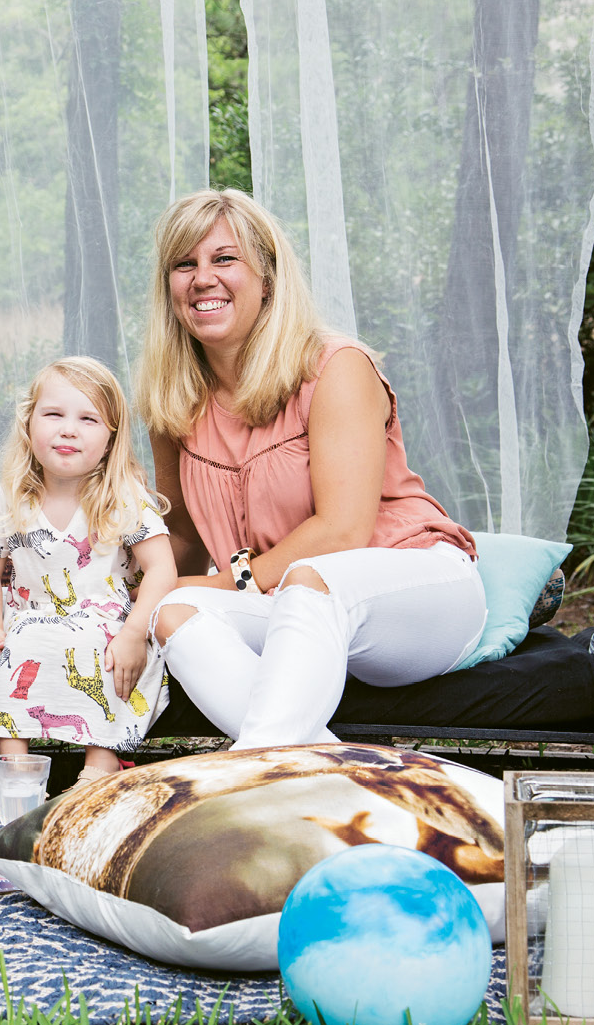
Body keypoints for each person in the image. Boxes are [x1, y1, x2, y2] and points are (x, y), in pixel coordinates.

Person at [137, 189, 487, 750]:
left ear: (268, 278)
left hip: (415, 587)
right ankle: (334, 770)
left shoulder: (336, 367)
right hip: (286, 603)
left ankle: (249, 774)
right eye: (185, 264)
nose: (203, 278)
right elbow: (180, 538)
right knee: (173, 611)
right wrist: (120, 597)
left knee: (310, 579)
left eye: (224, 259)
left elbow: (342, 531)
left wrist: (233, 580)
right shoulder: (172, 398)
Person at [0, 357, 177, 784]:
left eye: (88, 419)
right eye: (54, 414)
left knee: (111, 658)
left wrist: (135, 632)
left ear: (110, 437)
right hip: (31, 618)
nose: (68, 429)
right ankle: (18, 772)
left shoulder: (121, 495)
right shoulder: (13, 497)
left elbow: (161, 570)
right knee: (13, 651)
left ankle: (97, 772)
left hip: (104, 621)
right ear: (29, 424)